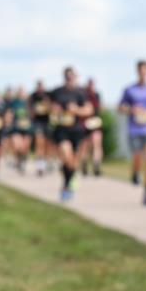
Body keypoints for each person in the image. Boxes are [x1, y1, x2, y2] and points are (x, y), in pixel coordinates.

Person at [49, 66, 94, 201]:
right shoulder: (57, 92)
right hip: (61, 130)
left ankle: (67, 185)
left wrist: (76, 110)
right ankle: (67, 184)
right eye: (67, 76)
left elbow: (89, 110)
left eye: (72, 76)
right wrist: (53, 109)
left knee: (73, 163)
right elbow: (46, 107)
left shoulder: (81, 93)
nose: (70, 79)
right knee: (66, 155)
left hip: (76, 130)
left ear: (76, 77)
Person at [119, 61, 146, 207]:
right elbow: (121, 108)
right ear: (137, 71)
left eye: (145, 70)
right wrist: (131, 110)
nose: (143, 73)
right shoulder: (129, 90)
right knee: (137, 157)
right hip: (134, 129)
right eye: (140, 70)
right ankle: (135, 172)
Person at [80, 78, 104, 177]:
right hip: (84, 123)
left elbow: (101, 108)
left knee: (96, 143)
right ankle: (84, 163)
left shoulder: (97, 95)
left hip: (95, 122)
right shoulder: (83, 95)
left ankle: (96, 164)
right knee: (85, 146)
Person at [29, 80, 52, 176]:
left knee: (47, 144)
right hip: (38, 122)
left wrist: (47, 105)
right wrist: (34, 110)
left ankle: (45, 163)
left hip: (47, 122)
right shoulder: (33, 97)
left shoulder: (48, 95)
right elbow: (30, 111)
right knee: (39, 142)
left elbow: (53, 108)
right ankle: (39, 166)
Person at [7, 86, 32, 174]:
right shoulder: (13, 102)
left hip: (27, 128)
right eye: (20, 91)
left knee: (25, 148)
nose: (21, 93)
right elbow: (9, 113)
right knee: (17, 145)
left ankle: (22, 161)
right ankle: (17, 160)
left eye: (23, 91)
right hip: (16, 128)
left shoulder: (29, 103)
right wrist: (8, 120)